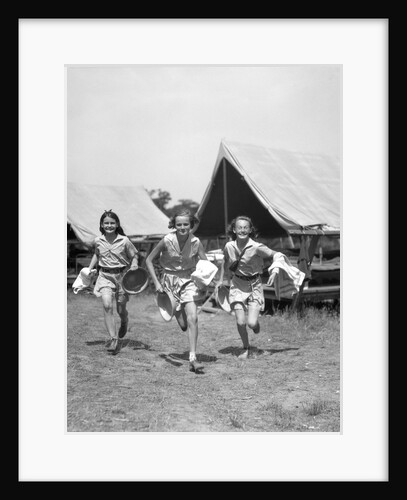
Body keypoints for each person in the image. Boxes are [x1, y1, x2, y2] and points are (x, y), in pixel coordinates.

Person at [145, 208, 209, 373]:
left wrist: (204, 282)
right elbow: (149, 260)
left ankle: (193, 358)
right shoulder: (166, 240)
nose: (182, 227)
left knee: (193, 318)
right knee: (183, 324)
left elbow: (205, 264)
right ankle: (177, 311)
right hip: (169, 283)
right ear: (174, 225)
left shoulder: (196, 242)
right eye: (179, 224)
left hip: (188, 281)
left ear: (191, 225)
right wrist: (157, 283)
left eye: (186, 224)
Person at [215, 215, 277, 360]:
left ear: (250, 230)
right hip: (237, 284)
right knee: (240, 321)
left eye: (245, 227)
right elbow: (225, 262)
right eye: (239, 227)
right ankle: (245, 347)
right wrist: (220, 280)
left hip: (254, 284)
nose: (242, 230)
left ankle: (255, 325)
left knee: (251, 323)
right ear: (234, 230)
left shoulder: (257, 247)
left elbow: (275, 255)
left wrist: (276, 268)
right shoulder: (229, 246)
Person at [88, 210, 139, 354]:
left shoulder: (124, 240)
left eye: (112, 223)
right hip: (104, 276)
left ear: (117, 225)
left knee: (120, 308)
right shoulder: (98, 240)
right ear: (101, 225)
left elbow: (134, 255)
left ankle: (124, 320)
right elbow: (97, 255)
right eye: (106, 223)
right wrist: (89, 269)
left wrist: (134, 264)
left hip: (122, 277)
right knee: (107, 304)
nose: (109, 225)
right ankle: (113, 339)